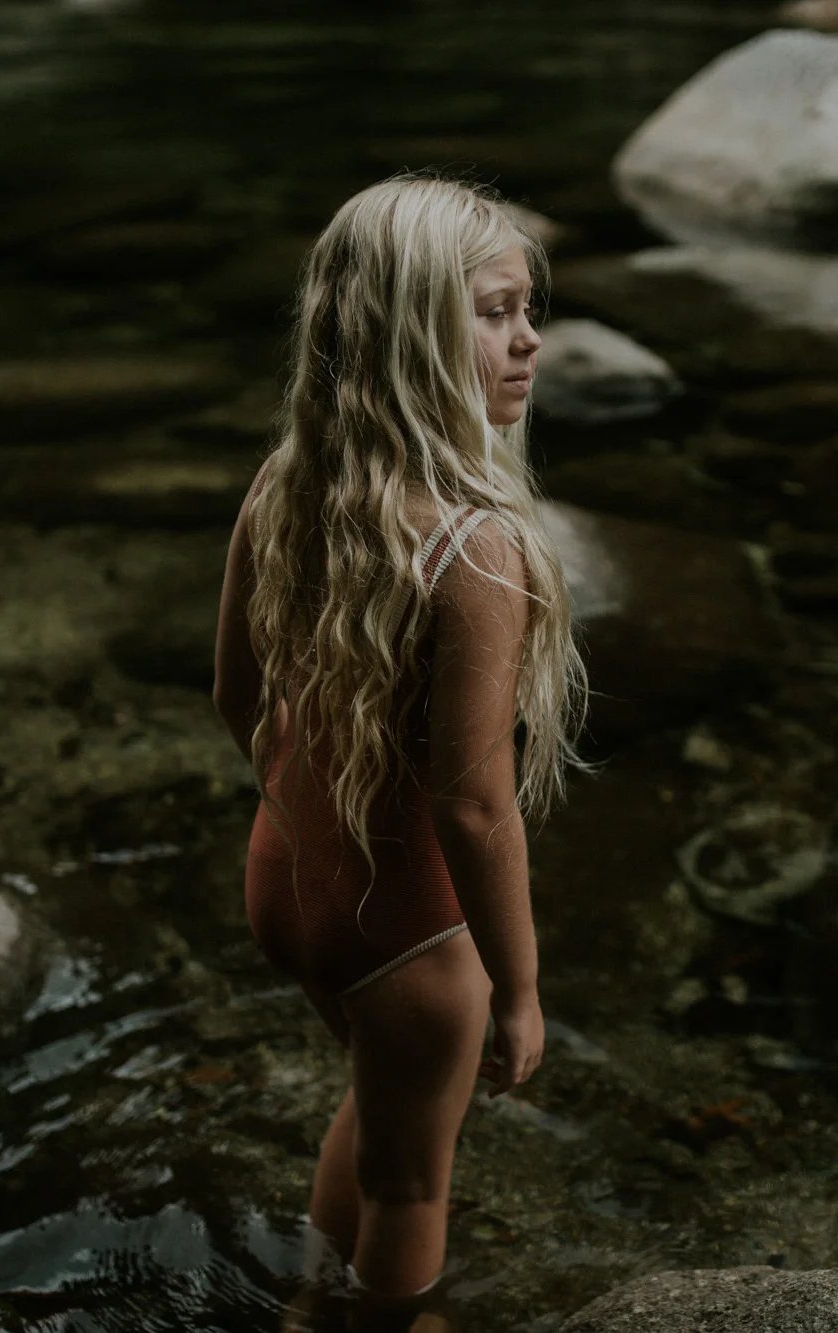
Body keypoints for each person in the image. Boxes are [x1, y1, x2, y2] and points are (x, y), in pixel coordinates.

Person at [211, 176, 586, 1331]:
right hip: (410, 933)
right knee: (414, 1181)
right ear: (408, 334)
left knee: (375, 1111)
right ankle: (384, 1320)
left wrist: (316, 829)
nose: (529, 338)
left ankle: (305, 1305)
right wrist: (517, 994)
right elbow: (473, 807)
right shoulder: (477, 551)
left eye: (527, 308)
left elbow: (235, 694)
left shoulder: (287, 481)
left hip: (287, 877)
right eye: (492, 310)